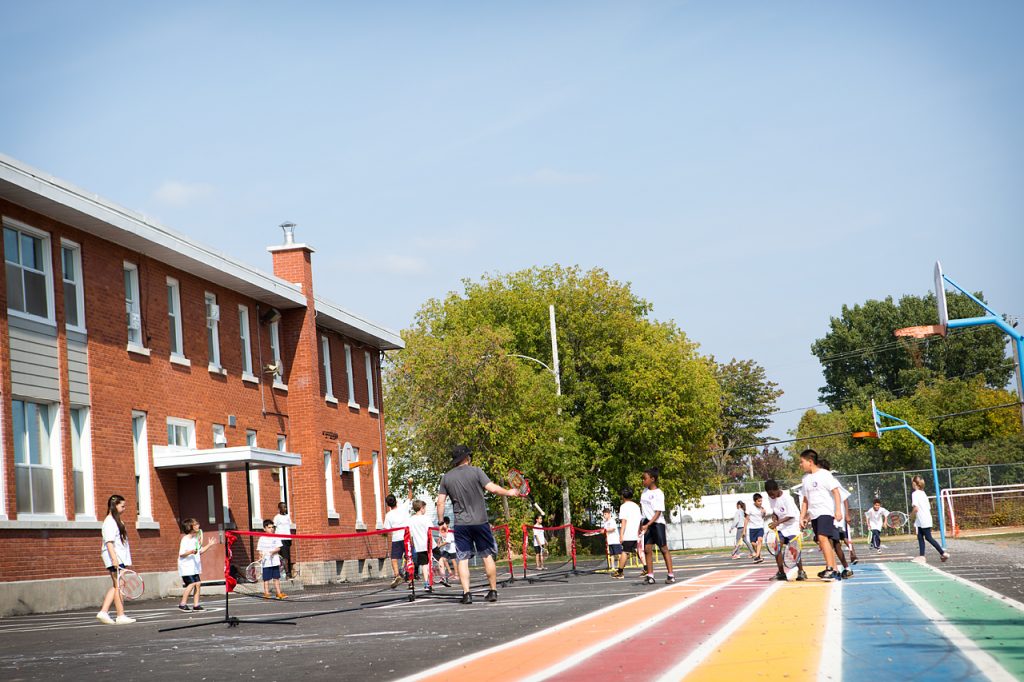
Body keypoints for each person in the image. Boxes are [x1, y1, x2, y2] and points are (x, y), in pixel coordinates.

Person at [435, 444, 520, 604]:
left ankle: (467, 594)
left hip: (461, 524)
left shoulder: (446, 477)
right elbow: (492, 488)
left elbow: (440, 502)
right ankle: (493, 591)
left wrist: (441, 522)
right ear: (467, 458)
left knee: (462, 559)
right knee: (487, 556)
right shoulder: (477, 471)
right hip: (480, 522)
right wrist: (509, 492)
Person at [798, 449, 842, 582]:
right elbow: (805, 500)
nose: (800, 465)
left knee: (823, 538)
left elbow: (836, 492)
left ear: (810, 462)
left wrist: (838, 510)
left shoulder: (825, 475)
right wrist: (802, 517)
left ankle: (829, 568)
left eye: (802, 462)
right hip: (814, 514)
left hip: (825, 511)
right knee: (823, 542)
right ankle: (834, 569)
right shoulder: (805, 479)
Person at [97, 494, 136, 625]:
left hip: (119, 557)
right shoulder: (109, 522)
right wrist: (114, 560)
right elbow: (109, 543)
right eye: (122, 506)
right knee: (119, 585)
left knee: (117, 585)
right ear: (115, 505)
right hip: (114, 557)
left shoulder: (117, 521)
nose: (124, 508)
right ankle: (120, 615)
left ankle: (104, 612)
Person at [817, 457, 853, 579]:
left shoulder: (829, 479)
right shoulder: (819, 481)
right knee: (834, 544)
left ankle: (834, 569)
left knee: (831, 544)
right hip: (827, 517)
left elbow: (844, 497)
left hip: (834, 519)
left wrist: (845, 514)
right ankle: (842, 568)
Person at [764, 479, 806, 581]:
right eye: (769, 494)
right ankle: (781, 573)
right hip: (782, 527)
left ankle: (801, 571)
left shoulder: (787, 498)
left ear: (777, 489)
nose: (771, 496)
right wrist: (774, 517)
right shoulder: (770, 498)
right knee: (777, 547)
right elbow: (775, 511)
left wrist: (777, 523)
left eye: (772, 494)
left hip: (793, 525)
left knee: (793, 549)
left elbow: (791, 515)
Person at [639, 467, 675, 584]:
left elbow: (658, 512)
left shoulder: (658, 493)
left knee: (663, 548)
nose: (643, 481)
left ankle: (671, 575)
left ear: (652, 479)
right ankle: (650, 576)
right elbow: (643, 511)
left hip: (657, 523)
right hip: (646, 523)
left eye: (645, 479)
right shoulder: (644, 492)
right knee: (647, 549)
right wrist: (641, 525)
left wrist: (648, 524)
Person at [177, 518, 216, 611]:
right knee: (191, 583)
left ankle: (196, 605)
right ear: (190, 527)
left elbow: (200, 551)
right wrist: (190, 552)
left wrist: (209, 545)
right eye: (196, 524)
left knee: (198, 583)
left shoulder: (195, 539)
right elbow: (181, 554)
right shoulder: (185, 539)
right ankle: (182, 604)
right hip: (186, 566)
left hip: (194, 566)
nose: (198, 525)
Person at [910, 475, 950, 564]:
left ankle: (943, 553)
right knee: (920, 536)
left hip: (923, 518)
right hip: (924, 518)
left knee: (928, 537)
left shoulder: (915, 494)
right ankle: (922, 556)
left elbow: (916, 508)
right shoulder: (923, 493)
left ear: (914, 483)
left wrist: (911, 516)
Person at [384, 481, 413, 589]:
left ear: (388, 505)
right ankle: (410, 581)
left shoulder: (388, 515)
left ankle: (397, 575)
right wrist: (410, 487)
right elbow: (410, 497)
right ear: (396, 501)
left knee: (394, 558)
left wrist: (382, 534)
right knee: (409, 558)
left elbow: (386, 531)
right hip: (406, 537)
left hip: (396, 539)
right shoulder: (403, 507)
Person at [614, 488, 642, 579]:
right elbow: (640, 519)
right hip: (637, 533)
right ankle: (647, 568)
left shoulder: (624, 506)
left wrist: (621, 535)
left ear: (623, 496)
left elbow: (624, 522)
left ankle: (620, 571)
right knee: (639, 551)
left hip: (629, 533)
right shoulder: (636, 506)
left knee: (625, 552)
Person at [257, 519, 287, 599]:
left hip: (274, 561)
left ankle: (278, 593)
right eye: (269, 527)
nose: (271, 529)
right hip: (266, 562)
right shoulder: (262, 538)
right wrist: (260, 556)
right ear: (264, 529)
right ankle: (266, 593)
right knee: (266, 579)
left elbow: (278, 548)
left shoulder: (276, 537)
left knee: (276, 578)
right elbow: (260, 550)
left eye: (272, 527)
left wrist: (272, 552)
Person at [408, 500, 432, 592]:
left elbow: (409, 533)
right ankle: (442, 577)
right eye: (425, 508)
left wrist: (412, 543)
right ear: (421, 509)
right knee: (439, 559)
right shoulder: (426, 518)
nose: (425, 510)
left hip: (419, 546)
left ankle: (426, 583)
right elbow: (430, 530)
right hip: (428, 544)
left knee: (424, 565)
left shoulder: (411, 519)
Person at [272, 502, 293, 579]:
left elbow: (289, 527)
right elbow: (273, 528)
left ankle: (285, 572)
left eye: (286, 507)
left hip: (287, 539)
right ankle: (287, 573)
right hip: (281, 539)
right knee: (284, 557)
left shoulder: (287, 517)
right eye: (283, 507)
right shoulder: (277, 517)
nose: (285, 509)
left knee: (287, 556)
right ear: (279, 508)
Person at [747, 494, 770, 564]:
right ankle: (759, 556)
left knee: (760, 540)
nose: (760, 502)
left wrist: (764, 513)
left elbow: (763, 517)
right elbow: (746, 518)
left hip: (760, 527)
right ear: (755, 501)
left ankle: (757, 556)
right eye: (759, 501)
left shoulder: (761, 508)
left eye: (761, 501)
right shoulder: (750, 508)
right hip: (752, 528)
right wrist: (744, 529)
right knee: (753, 543)